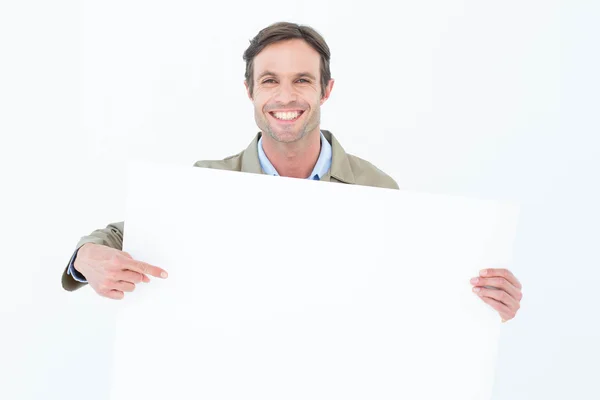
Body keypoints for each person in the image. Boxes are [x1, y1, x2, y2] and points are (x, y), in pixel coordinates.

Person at [61, 21, 523, 322]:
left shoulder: (378, 188)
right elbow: (122, 238)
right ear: (249, 91)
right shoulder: (207, 184)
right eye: (270, 80)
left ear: (326, 90)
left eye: (302, 79)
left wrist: (482, 308)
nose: (286, 97)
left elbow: (411, 294)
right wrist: (85, 260)